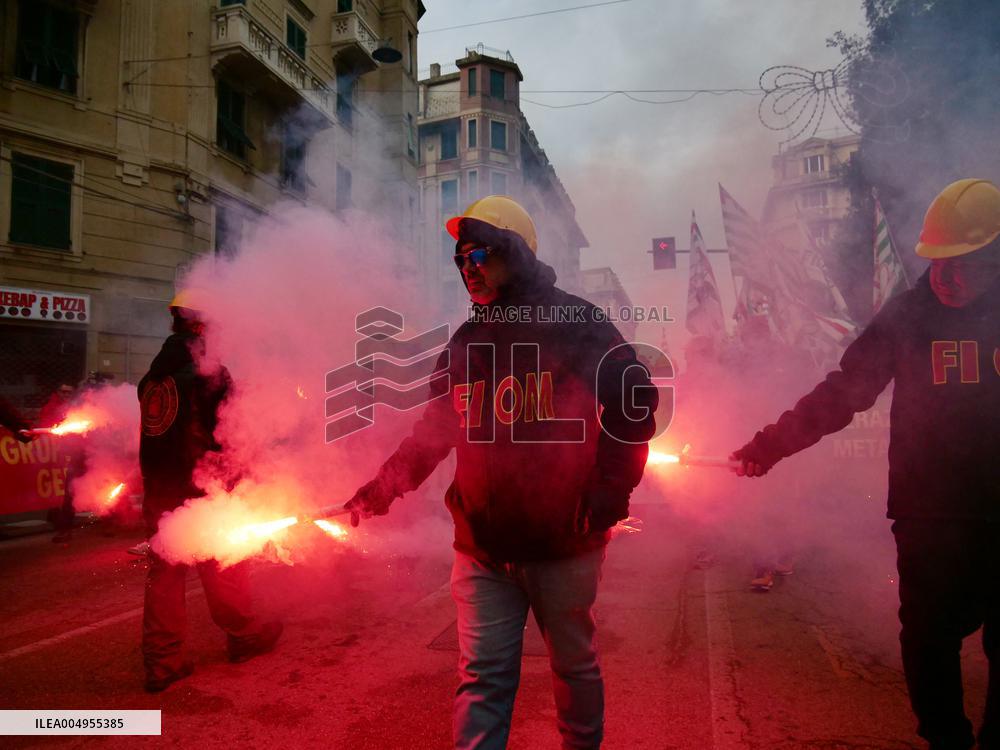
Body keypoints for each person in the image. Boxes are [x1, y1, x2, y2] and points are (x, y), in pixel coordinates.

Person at [345, 195, 658, 750]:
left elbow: (635, 404)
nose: (467, 267)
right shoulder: (466, 342)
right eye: (460, 258)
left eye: (479, 254)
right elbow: (432, 434)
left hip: (564, 543)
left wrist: (611, 490)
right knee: (482, 679)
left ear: (515, 252)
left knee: (574, 667)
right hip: (483, 549)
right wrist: (377, 493)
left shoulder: (577, 323)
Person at [731, 179, 1000, 750]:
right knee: (928, 636)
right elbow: (843, 392)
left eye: (964, 265)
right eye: (938, 263)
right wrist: (768, 446)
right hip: (930, 511)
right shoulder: (907, 316)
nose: (946, 278)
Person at [138, 290, 281, 693]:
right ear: (201, 326)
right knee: (222, 562)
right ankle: (244, 634)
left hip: (159, 489)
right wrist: (245, 483)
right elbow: (233, 434)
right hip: (203, 487)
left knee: (164, 572)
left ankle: (162, 662)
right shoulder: (209, 373)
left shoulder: (152, 378)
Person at [39, 384, 83, 543]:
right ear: (57, 392)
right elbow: (47, 425)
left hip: (83, 452)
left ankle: (114, 520)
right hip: (67, 454)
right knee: (69, 491)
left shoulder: (79, 406)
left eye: (69, 392)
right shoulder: (52, 407)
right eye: (63, 391)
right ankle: (64, 528)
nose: (66, 394)